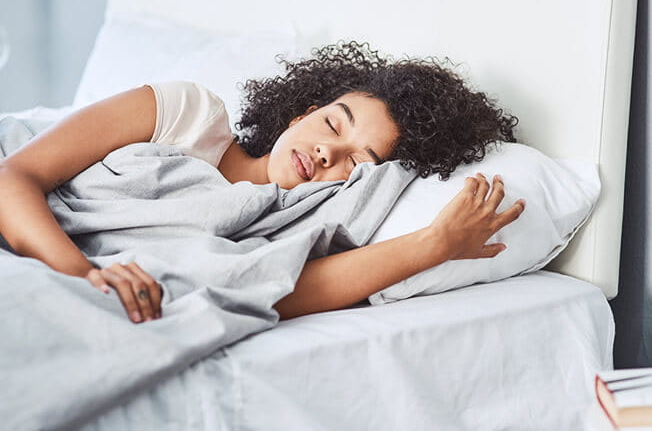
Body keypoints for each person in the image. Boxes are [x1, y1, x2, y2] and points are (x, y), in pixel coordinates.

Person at [0, 41, 525, 324]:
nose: (325, 151)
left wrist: (436, 244)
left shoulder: (296, 222)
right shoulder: (188, 113)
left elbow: (275, 289)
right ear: (302, 113)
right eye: (333, 124)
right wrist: (81, 276)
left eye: (354, 160)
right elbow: (16, 173)